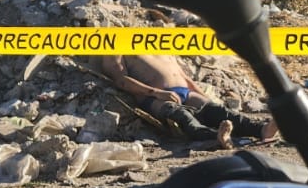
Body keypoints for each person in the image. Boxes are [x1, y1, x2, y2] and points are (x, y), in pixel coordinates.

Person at [101, 54, 279, 145]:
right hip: (153, 97)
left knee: (218, 111)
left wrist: (204, 97)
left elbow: (184, 77)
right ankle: (217, 138)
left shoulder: (156, 44)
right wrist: (156, 92)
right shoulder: (115, 47)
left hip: (185, 91)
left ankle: (262, 130)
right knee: (183, 117)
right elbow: (121, 81)